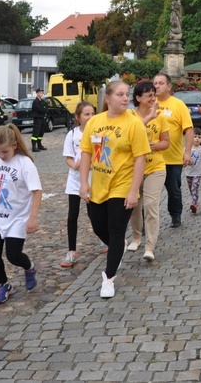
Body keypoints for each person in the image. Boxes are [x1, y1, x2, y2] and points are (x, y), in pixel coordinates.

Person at [79, 81, 150, 298]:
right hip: (99, 185)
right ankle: (118, 245)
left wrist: (133, 191)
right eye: (119, 94)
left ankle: (109, 278)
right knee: (99, 226)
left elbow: (140, 159)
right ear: (107, 98)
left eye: (126, 94)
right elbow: (86, 153)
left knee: (116, 229)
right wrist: (83, 182)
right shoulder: (95, 122)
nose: (125, 98)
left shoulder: (134, 123)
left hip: (122, 185)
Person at [0, 124, 42, 304]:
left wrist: (32, 217)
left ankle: (29, 267)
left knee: (13, 255)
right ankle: (3, 284)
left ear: (15, 146)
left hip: (17, 218)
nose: (1, 156)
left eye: (5, 152)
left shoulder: (24, 163)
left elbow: (37, 191)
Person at [127, 81, 169, 261]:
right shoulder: (129, 116)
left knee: (151, 205)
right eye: (149, 95)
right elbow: (130, 136)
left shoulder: (161, 116)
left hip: (155, 167)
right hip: (134, 168)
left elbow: (166, 142)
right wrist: (149, 118)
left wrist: (155, 145)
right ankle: (136, 236)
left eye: (154, 94)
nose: (153, 98)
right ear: (138, 98)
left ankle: (150, 246)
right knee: (135, 204)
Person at [153, 73, 194, 228]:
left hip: (172, 157)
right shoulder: (150, 104)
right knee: (149, 193)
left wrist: (187, 152)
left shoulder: (178, 105)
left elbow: (188, 129)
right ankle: (146, 221)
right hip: (152, 158)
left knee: (174, 190)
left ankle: (175, 215)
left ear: (169, 86)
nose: (157, 86)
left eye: (161, 83)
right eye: (155, 83)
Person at [61, 101, 96, 268]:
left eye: (92, 114)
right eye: (86, 114)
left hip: (93, 178)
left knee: (94, 214)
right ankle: (72, 250)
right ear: (78, 117)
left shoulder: (98, 133)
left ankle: (110, 242)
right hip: (75, 179)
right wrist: (73, 164)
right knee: (72, 214)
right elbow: (68, 156)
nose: (90, 117)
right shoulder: (72, 134)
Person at [184, 128, 201, 212]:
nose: (197, 139)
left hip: (198, 173)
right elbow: (183, 158)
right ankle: (195, 200)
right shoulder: (186, 149)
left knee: (194, 187)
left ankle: (194, 203)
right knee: (191, 188)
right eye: (195, 136)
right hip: (188, 172)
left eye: (199, 137)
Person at [31, 88, 47, 152]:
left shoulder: (43, 101)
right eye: (40, 92)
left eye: (42, 92)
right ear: (37, 93)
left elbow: (46, 109)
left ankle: (39, 144)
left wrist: (43, 109)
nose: (41, 94)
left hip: (42, 118)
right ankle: (33, 146)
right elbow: (39, 109)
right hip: (37, 118)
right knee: (36, 132)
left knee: (41, 132)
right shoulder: (35, 101)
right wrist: (43, 109)